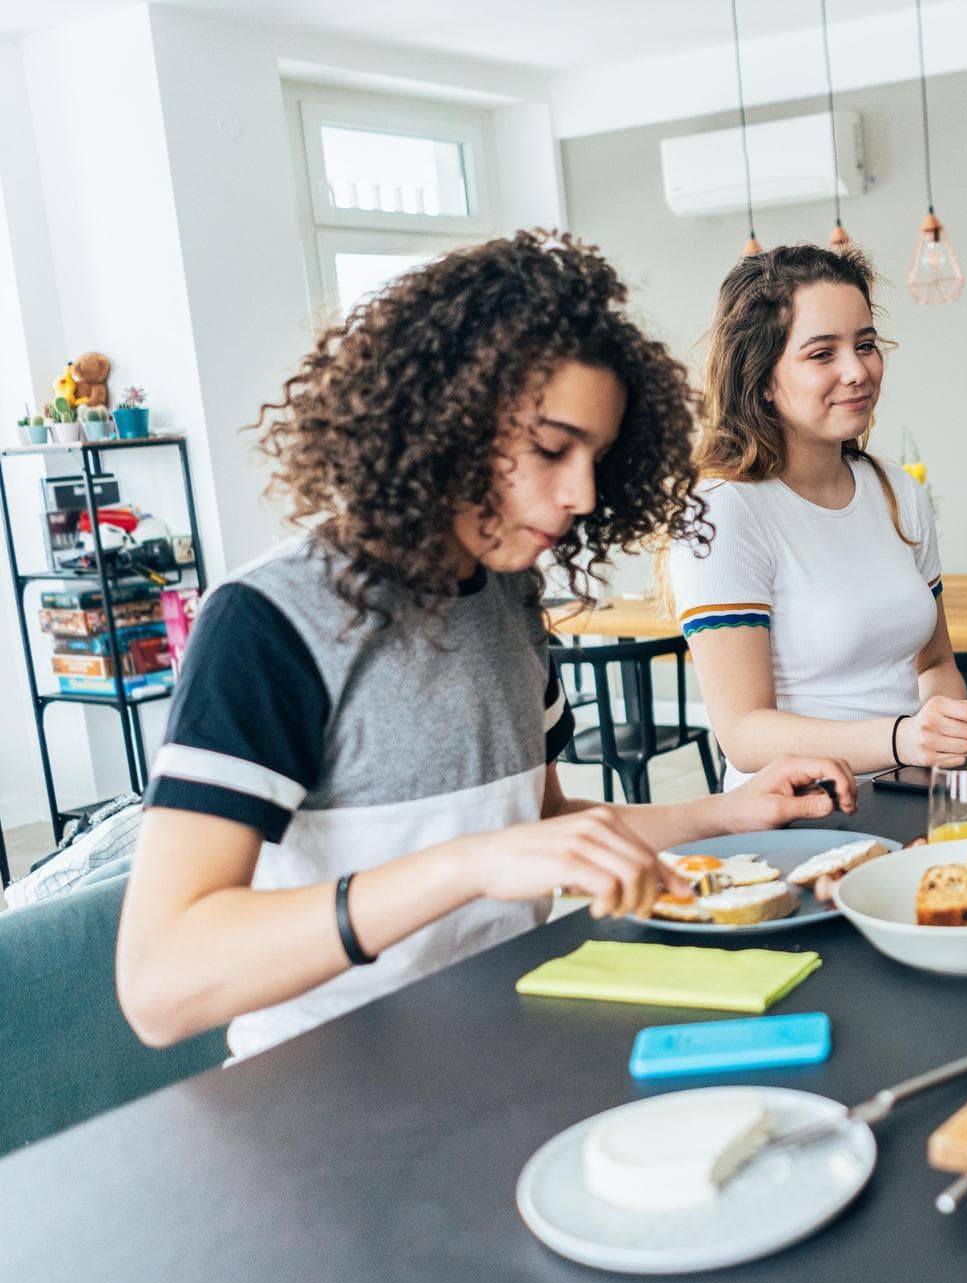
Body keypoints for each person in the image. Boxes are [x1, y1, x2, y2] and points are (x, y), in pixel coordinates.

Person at [116, 231, 855, 1060]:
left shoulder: (506, 594)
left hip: (503, 1045)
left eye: (597, 458)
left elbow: (540, 826)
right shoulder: (269, 624)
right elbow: (160, 982)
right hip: (323, 1093)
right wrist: (463, 864)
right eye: (550, 448)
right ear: (442, 419)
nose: (580, 494)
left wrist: (732, 810)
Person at [665, 245, 967, 788]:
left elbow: (934, 664)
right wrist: (901, 739)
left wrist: (938, 748)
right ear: (763, 378)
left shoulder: (896, 492)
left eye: (865, 345)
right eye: (822, 354)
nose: (857, 371)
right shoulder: (721, 512)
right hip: (794, 819)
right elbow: (743, 735)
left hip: (906, 795)